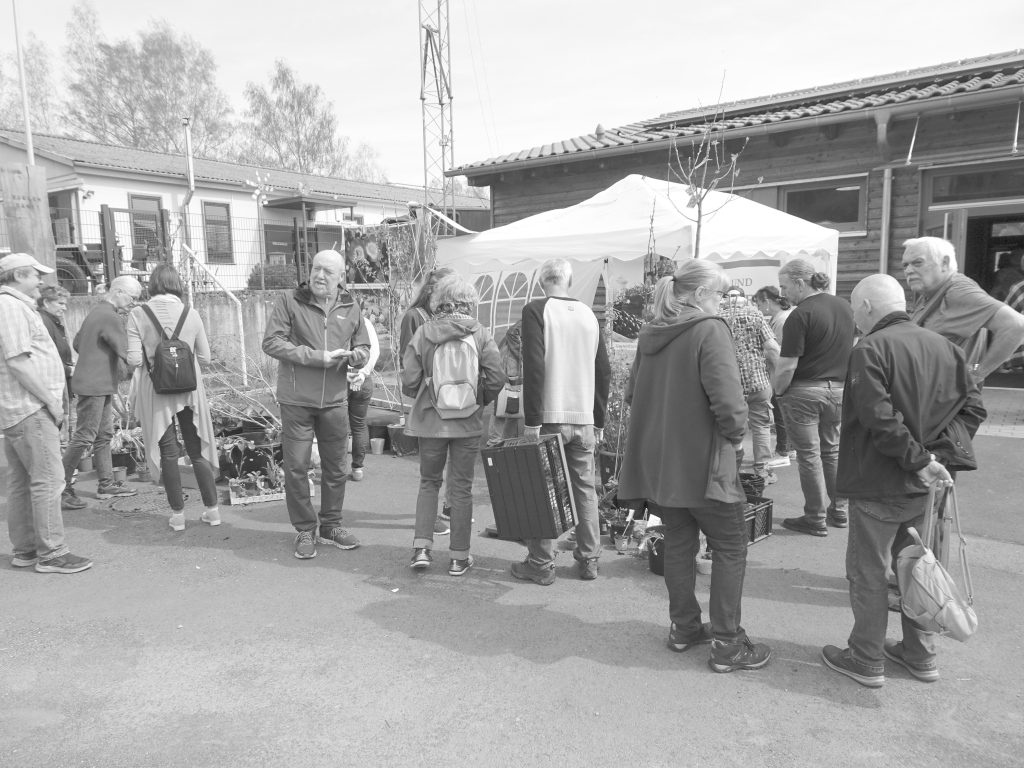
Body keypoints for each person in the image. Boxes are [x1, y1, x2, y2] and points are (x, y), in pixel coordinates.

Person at [822, 274, 985, 687]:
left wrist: (920, 459)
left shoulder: (870, 348)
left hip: (882, 479)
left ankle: (866, 657)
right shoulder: (947, 347)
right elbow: (974, 409)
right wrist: (936, 457)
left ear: (866, 308)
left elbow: (878, 416)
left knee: (869, 572)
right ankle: (920, 654)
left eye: (855, 309)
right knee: (918, 567)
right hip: (927, 484)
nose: (855, 318)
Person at [618, 262, 772, 673]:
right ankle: (727, 643)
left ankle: (683, 627)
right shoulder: (709, 328)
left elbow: (632, 394)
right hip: (706, 463)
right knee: (730, 547)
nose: (722, 301)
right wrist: (735, 436)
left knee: (681, 545)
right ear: (701, 292)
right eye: (720, 294)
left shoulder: (651, 333)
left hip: (665, 465)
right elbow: (729, 401)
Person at [262, 249, 370, 559]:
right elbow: (271, 342)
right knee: (296, 467)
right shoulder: (289, 301)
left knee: (336, 468)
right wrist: (315, 357)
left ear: (340, 279)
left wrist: (359, 356)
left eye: (327, 272)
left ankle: (331, 526)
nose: (319, 276)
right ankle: (305, 530)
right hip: (296, 399)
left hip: (336, 400)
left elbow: (362, 343)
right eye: (316, 269)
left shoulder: (351, 305)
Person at [513, 258, 611, 585]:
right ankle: (589, 559)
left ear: (543, 282)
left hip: (550, 416)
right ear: (568, 281)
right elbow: (603, 370)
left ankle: (541, 563)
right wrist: (598, 420)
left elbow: (534, 366)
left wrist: (532, 420)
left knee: (546, 489)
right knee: (585, 488)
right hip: (583, 416)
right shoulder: (588, 313)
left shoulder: (536, 310)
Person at [401, 274, 504, 576]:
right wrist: (477, 399)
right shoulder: (480, 334)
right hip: (467, 423)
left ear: (438, 301)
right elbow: (496, 377)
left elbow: (409, 379)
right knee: (461, 489)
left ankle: (421, 548)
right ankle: (459, 557)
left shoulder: (423, 333)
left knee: (428, 483)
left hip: (431, 423)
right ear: (470, 303)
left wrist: (424, 395)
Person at [0, 253, 92, 573]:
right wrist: (50, 402)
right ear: (19, 276)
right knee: (49, 480)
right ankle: (52, 553)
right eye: (36, 275)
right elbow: (18, 361)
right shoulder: (11, 307)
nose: (41, 281)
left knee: (23, 481)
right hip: (30, 408)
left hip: (20, 409)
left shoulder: (14, 306)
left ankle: (26, 550)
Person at [127, 264, 221, 532]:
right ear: (177, 284)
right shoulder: (191, 313)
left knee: (168, 452)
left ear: (153, 285)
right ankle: (212, 511)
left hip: (156, 391)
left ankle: (178, 516)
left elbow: (134, 359)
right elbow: (205, 358)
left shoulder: (137, 314)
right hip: (190, 390)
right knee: (196, 449)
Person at [774, 260, 856, 536]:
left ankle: (815, 517)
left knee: (809, 456)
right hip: (840, 391)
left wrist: (778, 391)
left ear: (800, 283)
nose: (783, 293)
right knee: (831, 451)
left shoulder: (799, 315)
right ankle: (840, 510)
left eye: (785, 286)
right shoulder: (845, 307)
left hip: (805, 391)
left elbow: (787, 365)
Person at [59, 275, 142, 510]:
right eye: (132, 298)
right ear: (118, 292)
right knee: (85, 436)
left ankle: (106, 484)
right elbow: (127, 351)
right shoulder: (111, 316)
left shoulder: (95, 313)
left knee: (103, 435)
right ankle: (62, 486)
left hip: (96, 382)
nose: (134, 303)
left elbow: (77, 344)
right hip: (95, 384)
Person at [903, 237, 1024, 384]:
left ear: (944, 263)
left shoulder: (959, 291)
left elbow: (1016, 326)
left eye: (917, 263)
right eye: (905, 265)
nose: (908, 270)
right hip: (929, 399)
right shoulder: (930, 293)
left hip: (950, 402)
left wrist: (978, 372)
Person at [398, 266, 456, 535]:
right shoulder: (415, 316)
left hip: (453, 398)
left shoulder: (448, 316)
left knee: (455, 458)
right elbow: (408, 361)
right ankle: (429, 519)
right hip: (429, 397)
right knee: (431, 466)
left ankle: (452, 506)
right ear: (433, 289)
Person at [719, 287, 780, 483]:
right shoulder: (756, 315)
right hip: (758, 381)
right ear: (745, 299)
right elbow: (771, 348)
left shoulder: (717, 318)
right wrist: (778, 375)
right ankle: (762, 469)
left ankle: (729, 470)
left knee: (728, 425)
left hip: (727, 383)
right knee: (761, 425)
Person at [753, 285, 794, 457]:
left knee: (781, 411)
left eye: (759, 304)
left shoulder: (781, 320)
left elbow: (776, 350)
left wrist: (778, 377)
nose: (759, 308)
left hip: (781, 372)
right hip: (782, 370)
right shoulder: (782, 316)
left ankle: (785, 448)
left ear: (767, 301)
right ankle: (786, 447)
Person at [37, 285, 75, 447]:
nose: (64, 308)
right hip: (53, 385)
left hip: (62, 381)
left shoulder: (53, 321)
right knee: (59, 428)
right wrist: (68, 369)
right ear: (46, 302)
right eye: (60, 303)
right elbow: (46, 357)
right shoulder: (44, 322)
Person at [347, 315, 379, 482]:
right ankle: (358, 468)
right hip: (363, 379)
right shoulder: (365, 322)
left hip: (340, 379)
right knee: (359, 424)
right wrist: (363, 372)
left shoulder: (337, 319)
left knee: (335, 425)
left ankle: (335, 468)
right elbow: (375, 351)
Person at [485, 320, 525, 447]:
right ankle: (495, 441)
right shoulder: (527, 322)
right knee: (503, 403)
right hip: (511, 366)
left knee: (514, 405)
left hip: (513, 365)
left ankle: (505, 441)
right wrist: (525, 353)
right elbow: (512, 334)